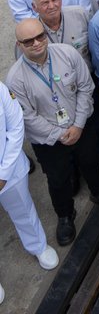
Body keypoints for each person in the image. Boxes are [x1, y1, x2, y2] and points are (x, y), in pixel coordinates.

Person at [7, 19, 99, 246]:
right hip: (49, 141)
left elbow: (85, 87)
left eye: (40, 36)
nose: (37, 43)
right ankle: (65, 215)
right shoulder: (15, 79)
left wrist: (78, 125)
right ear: (19, 45)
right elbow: (28, 118)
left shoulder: (67, 54)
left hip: (80, 126)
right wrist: (60, 134)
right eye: (28, 41)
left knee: (91, 161)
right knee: (58, 179)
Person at [0, 78, 60, 274]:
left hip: (9, 170)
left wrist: (3, 173)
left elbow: (16, 126)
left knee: (22, 210)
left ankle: (38, 246)